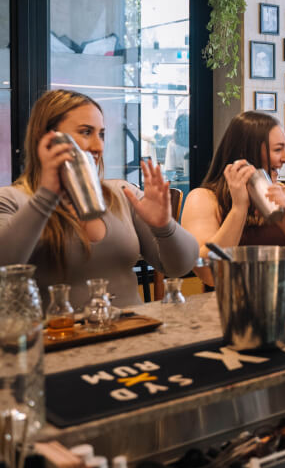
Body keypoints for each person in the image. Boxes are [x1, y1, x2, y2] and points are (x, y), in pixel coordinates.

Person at [0, 89, 198, 308]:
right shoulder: (12, 200)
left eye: (101, 134)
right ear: (47, 139)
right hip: (59, 338)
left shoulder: (122, 194)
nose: (98, 146)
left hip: (134, 335)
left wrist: (164, 226)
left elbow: (180, 266)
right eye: (86, 132)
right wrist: (45, 197)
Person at [181, 111, 285, 285]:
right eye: (278, 149)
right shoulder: (203, 199)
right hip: (227, 305)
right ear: (245, 153)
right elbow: (209, 272)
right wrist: (239, 208)